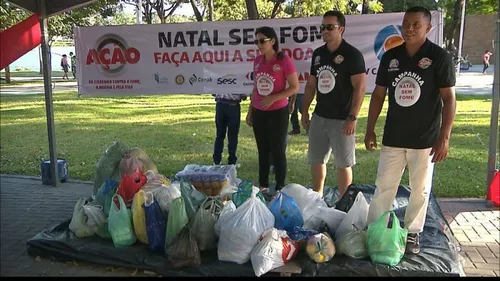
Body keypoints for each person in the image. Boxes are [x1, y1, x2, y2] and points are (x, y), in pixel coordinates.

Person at [365, 6, 456, 255]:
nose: (410, 28)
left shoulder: (438, 57)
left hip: (425, 138)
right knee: (384, 185)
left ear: (428, 27)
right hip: (394, 135)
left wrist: (444, 137)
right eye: (406, 23)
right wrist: (370, 128)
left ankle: (413, 233)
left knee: (420, 189)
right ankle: (376, 229)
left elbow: (449, 98)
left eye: (416, 24)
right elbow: (379, 94)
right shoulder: (390, 57)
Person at [301, 10, 367, 198]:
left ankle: (343, 201)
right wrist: (304, 111)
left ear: (341, 29)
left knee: (343, 163)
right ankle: (317, 196)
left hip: (342, 118)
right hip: (320, 115)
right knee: (316, 160)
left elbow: (360, 88)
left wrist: (352, 117)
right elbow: (311, 85)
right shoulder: (318, 54)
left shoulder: (352, 54)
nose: (325, 30)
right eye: (323, 27)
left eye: (330, 27)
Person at [245, 26, 299, 195]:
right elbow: (255, 87)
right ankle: (263, 184)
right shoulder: (257, 61)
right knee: (263, 149)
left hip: (278, 111)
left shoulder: (284, 60)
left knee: (277, 150)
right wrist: (250, 111)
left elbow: (295, 87)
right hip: (259, 111)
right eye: (257, 41)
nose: (259, 45)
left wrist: (274, 98)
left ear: (273, 41)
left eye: (262, 41)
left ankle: (281, 186)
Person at [212, 93, 246, 166]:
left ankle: (217, 160)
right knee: (232, 136)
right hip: (233, 105)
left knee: (220, 135)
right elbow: (244, 96)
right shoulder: (239, 81)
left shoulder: (217, 80)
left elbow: (213, 93)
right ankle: (232, 160)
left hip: (220, 104)